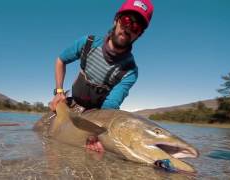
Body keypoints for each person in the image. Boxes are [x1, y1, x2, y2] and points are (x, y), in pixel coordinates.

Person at [50, 0, 154, 152]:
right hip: (72, 104)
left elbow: (109, 107)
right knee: (51, 147)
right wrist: (59, 92)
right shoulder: (88, 43)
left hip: (97, 116)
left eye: (136, 27)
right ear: (116, 20)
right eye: (126, 20)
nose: (128, 28)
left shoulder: (130, 71)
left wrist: (96, 133)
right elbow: (61, 60)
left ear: (139, 34)